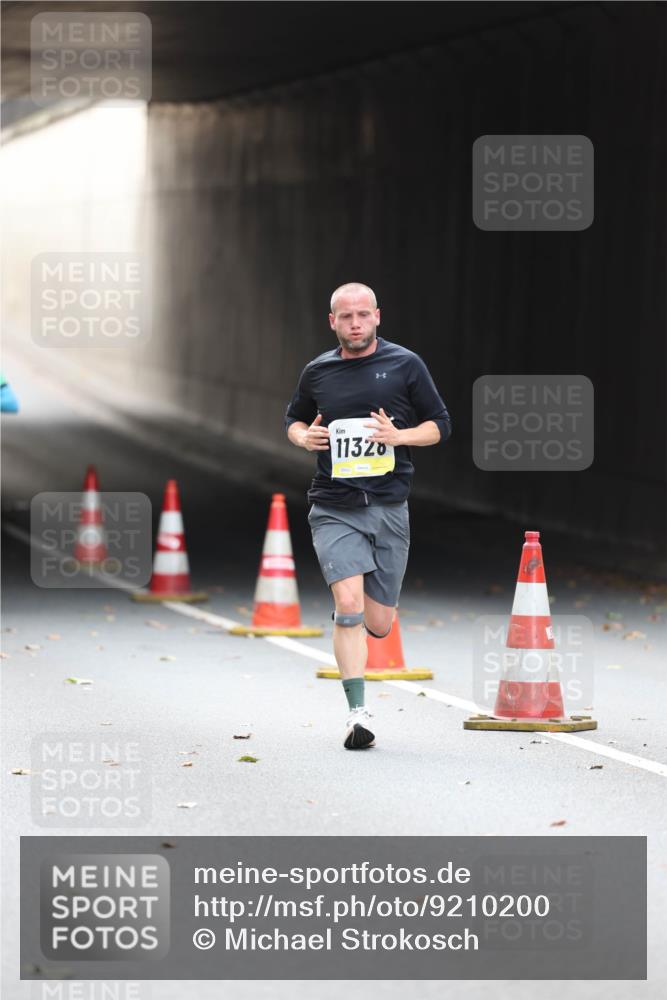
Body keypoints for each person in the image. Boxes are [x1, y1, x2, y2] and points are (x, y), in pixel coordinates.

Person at [285, 283, 451, 749]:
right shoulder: (318, 372)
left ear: (377, 317)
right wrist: (302, 438)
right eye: (345, 316)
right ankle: (357, 714)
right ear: (332, 322)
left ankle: (360, 624)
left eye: (362, 315)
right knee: (349, 606)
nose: (354, 323)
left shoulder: (405, 364)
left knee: (379, 622)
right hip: (333, 506)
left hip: (388, 507)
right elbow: (294, 419)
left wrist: (399, 438)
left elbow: (440, 425)